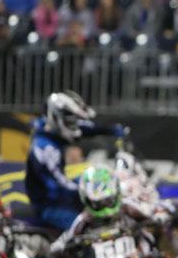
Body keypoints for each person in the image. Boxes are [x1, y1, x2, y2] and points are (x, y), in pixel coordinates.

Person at [25, 91, 127, 230]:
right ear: (57, 117)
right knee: (90, 227)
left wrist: (109, 130)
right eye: (71, 121)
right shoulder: (43, 148)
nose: (75, 125)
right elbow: (58, 184)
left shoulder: (52, 128)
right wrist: (87, 188)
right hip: (49, 205)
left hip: (63, 199)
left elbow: (83, 127)